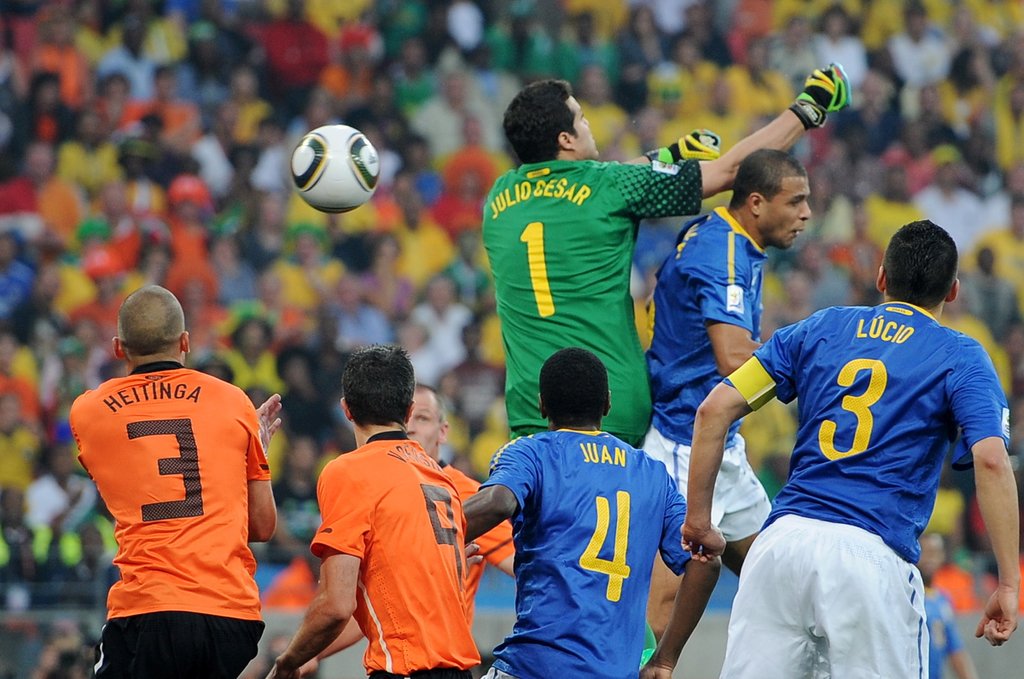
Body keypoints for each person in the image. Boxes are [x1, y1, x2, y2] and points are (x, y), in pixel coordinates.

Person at [683, 221, 1020, 677]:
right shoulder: (961, 355)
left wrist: (699, 522)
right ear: (953, 291)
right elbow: (992, 459)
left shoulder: (820, 327)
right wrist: (1008, 582)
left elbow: (713, 410)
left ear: (881, 277)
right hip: (871, 556)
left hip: (781, 546)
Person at [483, 65, 849, 446]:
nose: (590, 125)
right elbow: (731, 172)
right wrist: (808, 108)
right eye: (582, 119)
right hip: (609, 410)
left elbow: (588, 187)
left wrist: (667, 155)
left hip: (531, 413)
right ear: (566, 139)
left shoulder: (498, 199)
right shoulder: (610, 187)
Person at [463, 347, 720, 679]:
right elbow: (705, 561)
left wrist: (430, 531)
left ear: (542, 405)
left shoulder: (531, 453)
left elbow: (499, 501)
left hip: (536, 665)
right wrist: (664, 659)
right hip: (617, 672)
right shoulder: (652, 473)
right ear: (607, 403)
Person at [69, 285, 282, 678]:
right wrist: (254, 457)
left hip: (149, 609)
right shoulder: (234, 402)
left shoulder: (89, 411)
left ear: (118, 348)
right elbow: (263, 526)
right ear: (185, 342)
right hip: (231, 616)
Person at [644, 149, 810, 633]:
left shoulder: (724, 235)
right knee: (662, 605)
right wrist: (815, 371)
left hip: (721, 443)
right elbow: (734, 357)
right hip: (684, 441)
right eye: (795, 201)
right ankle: (634, 666)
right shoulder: (724, 254)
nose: (806, 214)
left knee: (780, 583)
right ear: (756, 203)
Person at [267, 345, 479, 679]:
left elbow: (336, 605)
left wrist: (287, 661)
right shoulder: (441, 478)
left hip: (405, 669)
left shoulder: (349, 471)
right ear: (409, 411)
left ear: (346, 410)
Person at [291, 384, 514, 675]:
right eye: (410, 418)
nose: (412, 427)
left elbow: (523, 565)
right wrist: (312, 653)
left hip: (431, 661)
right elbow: (365, 602)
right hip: (404, 656)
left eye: (423, 418)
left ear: (443, 431)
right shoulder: (378, 482)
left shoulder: (466, 493)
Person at [919, 533, 980, 679]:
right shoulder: (909, 596)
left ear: (942, 556)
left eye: (934, 553)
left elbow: (955, 648)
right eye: (924, 552)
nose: (929, 559)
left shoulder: (943, 599)